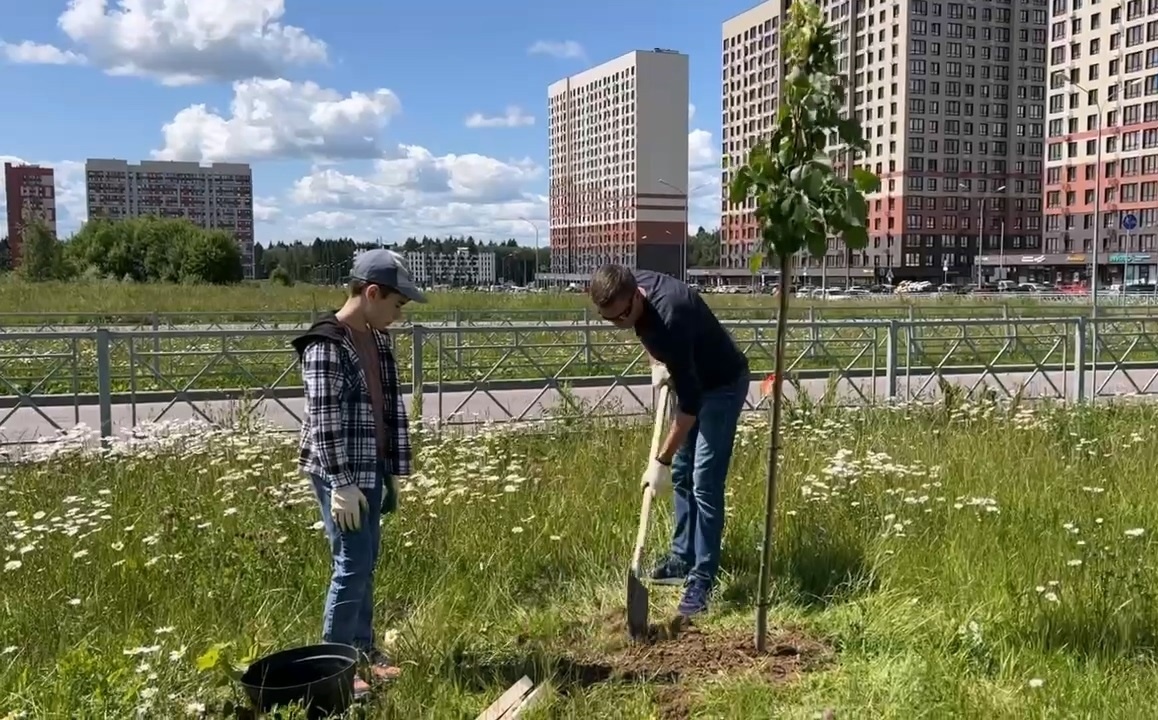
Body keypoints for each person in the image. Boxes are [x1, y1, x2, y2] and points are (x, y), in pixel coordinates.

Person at [290, 249, 426, 698]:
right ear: (371, 293)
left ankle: (363, 651)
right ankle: (334, 670)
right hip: (341, 471)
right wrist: (342, 485)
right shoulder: (327, 344)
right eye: (397, 304)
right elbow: (325, 421)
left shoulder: (376, 339)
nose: (399, 315)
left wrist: (388, 472)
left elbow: (384, 409)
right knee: (351, 564)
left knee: (367, 560)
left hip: (369, 465)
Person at [589, 265, 750, 616]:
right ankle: (681, 557)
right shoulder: (630, 287)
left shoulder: (671, 316)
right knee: (683, 472)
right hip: (690, 379)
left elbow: (689, 408)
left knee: (703, 482)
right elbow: (645, 332)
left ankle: (701, 579)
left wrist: (659, 461)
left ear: (636, 297)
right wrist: (657, 364)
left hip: (721, 385)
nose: (618, 324)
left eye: (621, 316)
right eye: (608, 319)